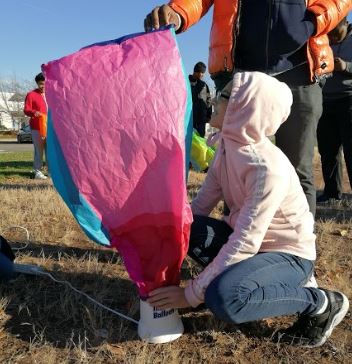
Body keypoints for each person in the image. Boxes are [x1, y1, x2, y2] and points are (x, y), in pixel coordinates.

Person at [147, 72, 349, 347]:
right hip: (252, 248)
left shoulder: (266, 168)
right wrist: (164, 240)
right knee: (187, 228)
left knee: (224, 299)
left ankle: (321, 302)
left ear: (246, 108)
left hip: (287, 253)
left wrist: (191, 294)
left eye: (225, 96)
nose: (216, 100)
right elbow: (200, 206)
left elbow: (245, 241)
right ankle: (245, 281)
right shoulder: (227, 148)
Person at [144, 1, 351, 216]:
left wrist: (312, 22)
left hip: (300, 72)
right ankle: (231, 241)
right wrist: (179, 11)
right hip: (241, 71)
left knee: (297, 171)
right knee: (234, 167)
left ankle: (295, 249)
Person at [317, 17, 352, 203]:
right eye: (329, 32)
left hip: (349, 100)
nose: (332, 37)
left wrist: (344, 66)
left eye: (335, 32)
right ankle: (331, 193)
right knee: (327, 151)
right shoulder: (324, 39)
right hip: (326, 101)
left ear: (345, 24)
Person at [24, 72, 48, 180]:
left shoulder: (51, 94)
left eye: (44, 83)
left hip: (50, 128)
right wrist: (34, 112)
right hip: (37, 128)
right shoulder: (31, 94)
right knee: (39, 150)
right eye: (40, 84)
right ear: (37, 84)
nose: (42, 86)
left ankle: (51, 172)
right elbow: (26, 110)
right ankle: (37, 172)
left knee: (50, 151)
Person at [189, 62, 212, 137]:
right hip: (189, 119)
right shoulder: (186, 82)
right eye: (200, 72)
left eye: (203, 73)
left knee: (200, 141)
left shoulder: (204, 85)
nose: (201, 75)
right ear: (195, 72)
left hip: (201, 119)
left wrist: (209, 116)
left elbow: (208, 101)